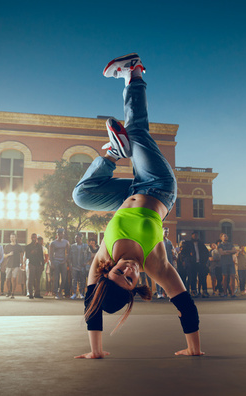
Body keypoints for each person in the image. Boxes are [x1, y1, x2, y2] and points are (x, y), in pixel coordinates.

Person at [73, 54, 202, 358]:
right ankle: (134, 72)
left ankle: (113, 154)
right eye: (130, 277)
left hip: (126, 192)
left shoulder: (102, 257)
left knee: (81, 196)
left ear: (108, 270)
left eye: (119, 270)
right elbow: (184, 305)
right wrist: (193, 348)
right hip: (158, 186)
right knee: (137, 130)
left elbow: (91, 305)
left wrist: (96, 351)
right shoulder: (156, 264)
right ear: (136, 286)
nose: (128, 268)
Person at [49, 228, 70, 299]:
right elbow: (51, 254)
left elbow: (68, 252)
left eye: (62, 233)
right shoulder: (53, 243)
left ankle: (60, 291)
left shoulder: (66, 242)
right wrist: (52, 263)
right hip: (56, 261)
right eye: (59, 233)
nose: (61, 234)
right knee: (56, 277)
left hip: (63, 261)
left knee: (64, 278)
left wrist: (65, 260)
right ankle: (55, 292)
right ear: (57, 234)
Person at [3, 233, 25, 298]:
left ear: (15, 238)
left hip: (16, 265)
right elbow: (4, 255)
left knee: (14, 279)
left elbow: (22, 254)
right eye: (11, 237)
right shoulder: (7, 246)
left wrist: (22, 263)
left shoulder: (18, 246)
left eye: (13, 237)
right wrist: (9, 254)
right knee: (7, 279)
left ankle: (13, 292)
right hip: (8, 264)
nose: (12, 238)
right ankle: (9, 291)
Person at [70, 233, 90, 299]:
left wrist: (86, 262)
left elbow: (89, 255)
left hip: (82, 266)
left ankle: (81, 294)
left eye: (77, 237)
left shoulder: (86, 246)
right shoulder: (72, 246)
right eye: (75, 238)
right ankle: (74, 294)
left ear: (81, 238)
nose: (76, 239)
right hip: (74, 266)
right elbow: (70, 256)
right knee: (74, 280)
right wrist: (70, 264)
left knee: (82, 280)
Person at [24, 233, 44, 299]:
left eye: (35, 237)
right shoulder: (28, 246)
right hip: (32, 264)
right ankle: (30, 293)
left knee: (38, 279)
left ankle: (37, 293)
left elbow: (42, 256)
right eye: (32, 237)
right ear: (31, 238)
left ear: (36, 238)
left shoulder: (39, 246)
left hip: (38, 264)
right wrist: (31, 253)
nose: (34, 238)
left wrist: (43, 265)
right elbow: (27, 256)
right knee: (31, 279)